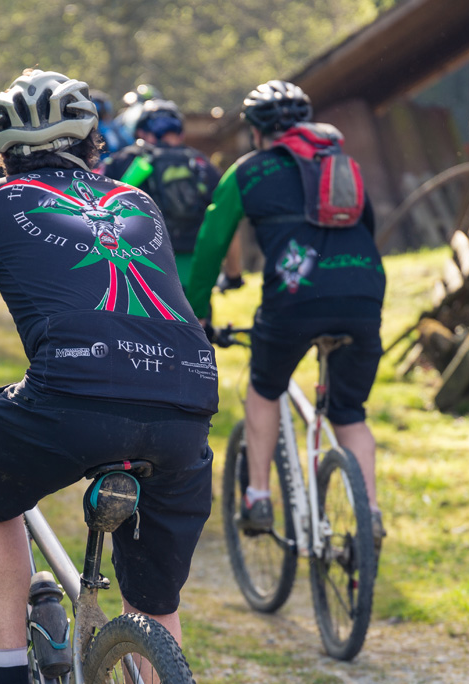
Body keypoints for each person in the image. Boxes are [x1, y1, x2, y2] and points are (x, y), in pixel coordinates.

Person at [0, 68, 216, 684]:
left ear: (0, 152)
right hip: (186, 400)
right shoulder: (137, 200)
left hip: (71, 399)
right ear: (92, 142)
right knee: (154, 606)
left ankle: (9, 670)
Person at [186, 80, 387, 555]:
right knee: (350, 413)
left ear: (256, 132)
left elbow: (212, 244)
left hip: (296, 296)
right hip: (364, 290)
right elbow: (369, 225)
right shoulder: (343, 163)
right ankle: (371, 513)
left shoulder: (248, 172)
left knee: (265, 387)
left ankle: (257, 496)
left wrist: (197, 314)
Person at [103, 98, 221, 288]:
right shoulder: (200, 162)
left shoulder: (125, 160)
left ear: (140, 131)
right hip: (192, 259)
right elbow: (219, 214)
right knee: (195, 316)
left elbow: (102, 205)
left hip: (142, 260)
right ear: (180, 132)